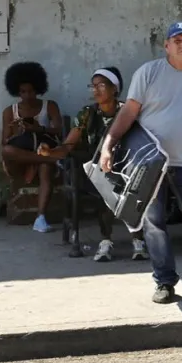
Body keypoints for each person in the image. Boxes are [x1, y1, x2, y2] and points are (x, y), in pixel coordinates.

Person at [99, 22, 182, 304]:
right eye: (177, 40)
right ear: (167, 45)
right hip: (149, 164)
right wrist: (108, 145)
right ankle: (164, 282)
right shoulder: (148, 72)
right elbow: (129, 113)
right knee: (154, 224)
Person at [39, 67, 149, 262]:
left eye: (101, 86)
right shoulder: (87, 114)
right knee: (102, 185)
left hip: (127, 166)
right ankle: (106, 240)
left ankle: (138, 240)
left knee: (135, 186)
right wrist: (50, 152)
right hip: (97, 168)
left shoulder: (127, 111)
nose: (96, 90)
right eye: (93, 86)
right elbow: (68, 145)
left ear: (115, 89)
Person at [0, 61, 63, 234]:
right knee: (6, 151)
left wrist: (38, 129)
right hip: (21, 158)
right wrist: (16, 132)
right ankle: (54, 160)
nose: (27, 95)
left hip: (43, 150)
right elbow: (4, 142)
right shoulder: (10, 111)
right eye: (23, 92)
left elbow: (59, 130)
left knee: (45, 167)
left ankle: (40, 218)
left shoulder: (49, 106)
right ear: (17, 91)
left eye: (31, 91)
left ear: (38, 89)